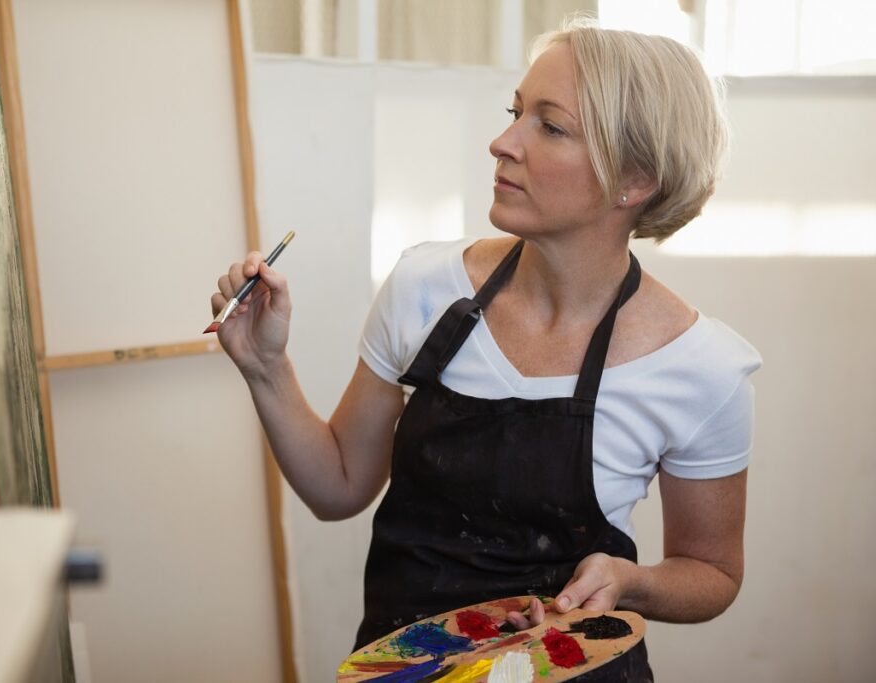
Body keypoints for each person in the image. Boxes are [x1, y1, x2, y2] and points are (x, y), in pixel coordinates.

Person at [209, 18, 760, 680]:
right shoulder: (423, 287)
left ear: (633, 179)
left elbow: (713, 573)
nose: (502, 143)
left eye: (549, 126)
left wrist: (628, 579)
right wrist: (265, 365)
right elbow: (338, 486)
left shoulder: (701, 368)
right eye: (515, 113)